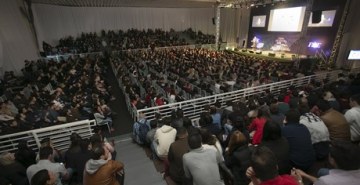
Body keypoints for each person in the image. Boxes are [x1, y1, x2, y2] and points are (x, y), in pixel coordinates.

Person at [294, 141, 360, 185]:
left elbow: (323, 182)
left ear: (332, 160)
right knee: (322, 171)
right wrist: (306, 175)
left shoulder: (326, 181)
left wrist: (299, 181)